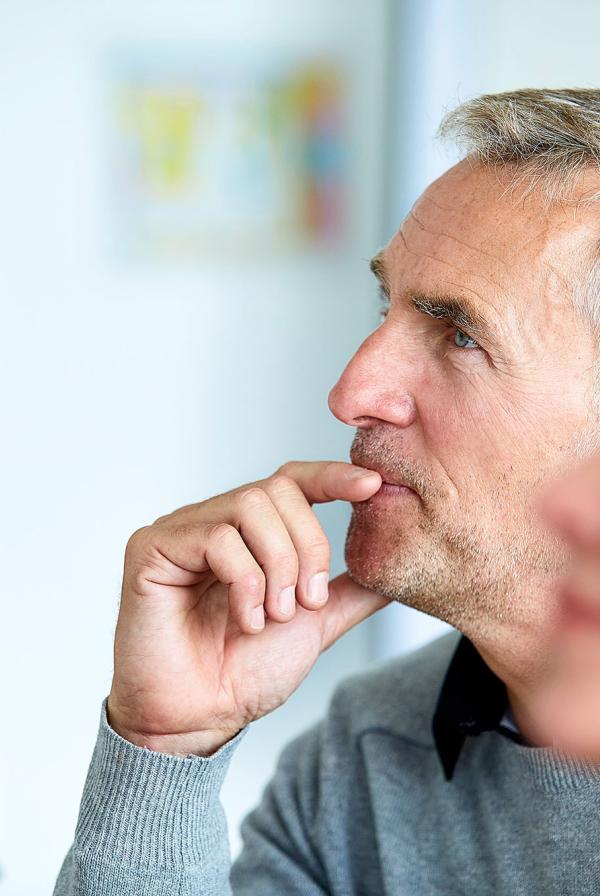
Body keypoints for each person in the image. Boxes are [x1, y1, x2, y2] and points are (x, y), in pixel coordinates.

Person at [53, 88, 600, 896]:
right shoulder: (364, 758)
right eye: (387, 305)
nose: (351, 391)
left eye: (458, 333)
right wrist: (163, 752)